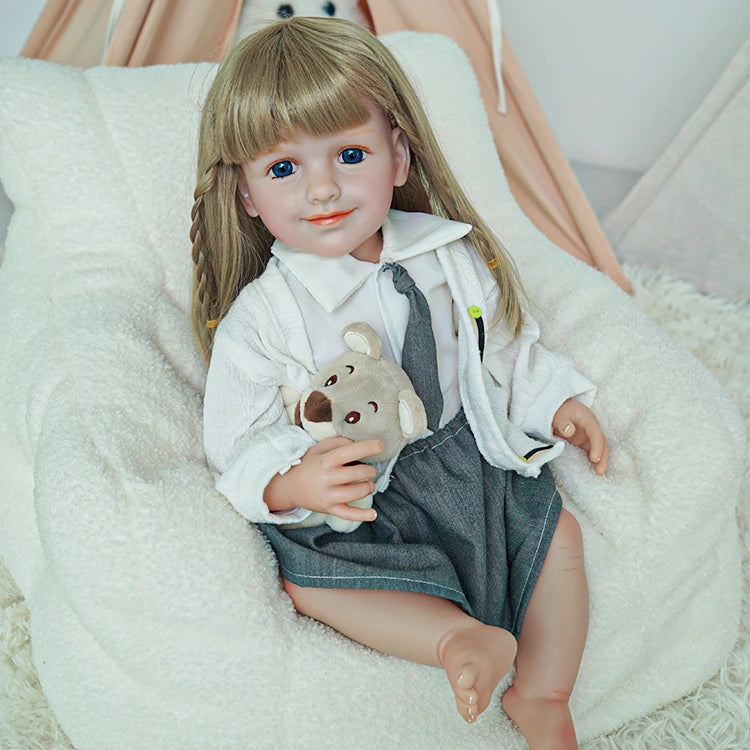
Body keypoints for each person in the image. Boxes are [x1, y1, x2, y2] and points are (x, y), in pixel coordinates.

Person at [191, 17, 609, 749]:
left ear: (399, 157)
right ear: (249, 196)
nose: (322, 188)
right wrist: (294, 484)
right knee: (309, 584)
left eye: (349, 154)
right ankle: (456, 640)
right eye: (284, 169)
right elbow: (235, 441)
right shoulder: (264, 318)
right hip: (364, 499)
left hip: (464, 462)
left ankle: (545, 691)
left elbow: (499, 350)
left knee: (557, 534)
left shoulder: (448, 256)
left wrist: (557, 403)